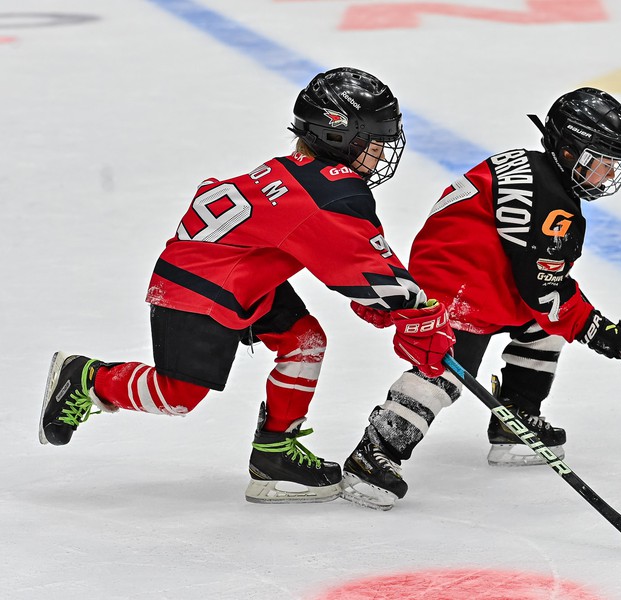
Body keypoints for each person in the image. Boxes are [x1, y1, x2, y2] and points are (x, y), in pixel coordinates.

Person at [38, 67, 455, 504]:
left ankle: (274, 453)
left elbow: (344, 260)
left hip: (239, 272)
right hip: (201, 286)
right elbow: (364, 265)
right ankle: (87, 377)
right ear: (340, 136)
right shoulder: (331, 194)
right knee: (176, 396)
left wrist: (386, 303)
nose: (381, 152)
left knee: (305, 340)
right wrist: (415, 314)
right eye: (374, 141)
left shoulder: (306, 172)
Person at [341, 87, 621, 510]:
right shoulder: (551, 202)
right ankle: (373, 455)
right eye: (601, 161)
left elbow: (541, 285)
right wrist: (596, 329)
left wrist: (585, 320)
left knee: (545, 328)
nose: (608, 174)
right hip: (460, 286)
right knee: (444, 374)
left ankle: (515, 420)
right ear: (569, 148)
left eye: (614, 163)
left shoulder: (537, 168)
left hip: (481, 273)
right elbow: (545, 291)